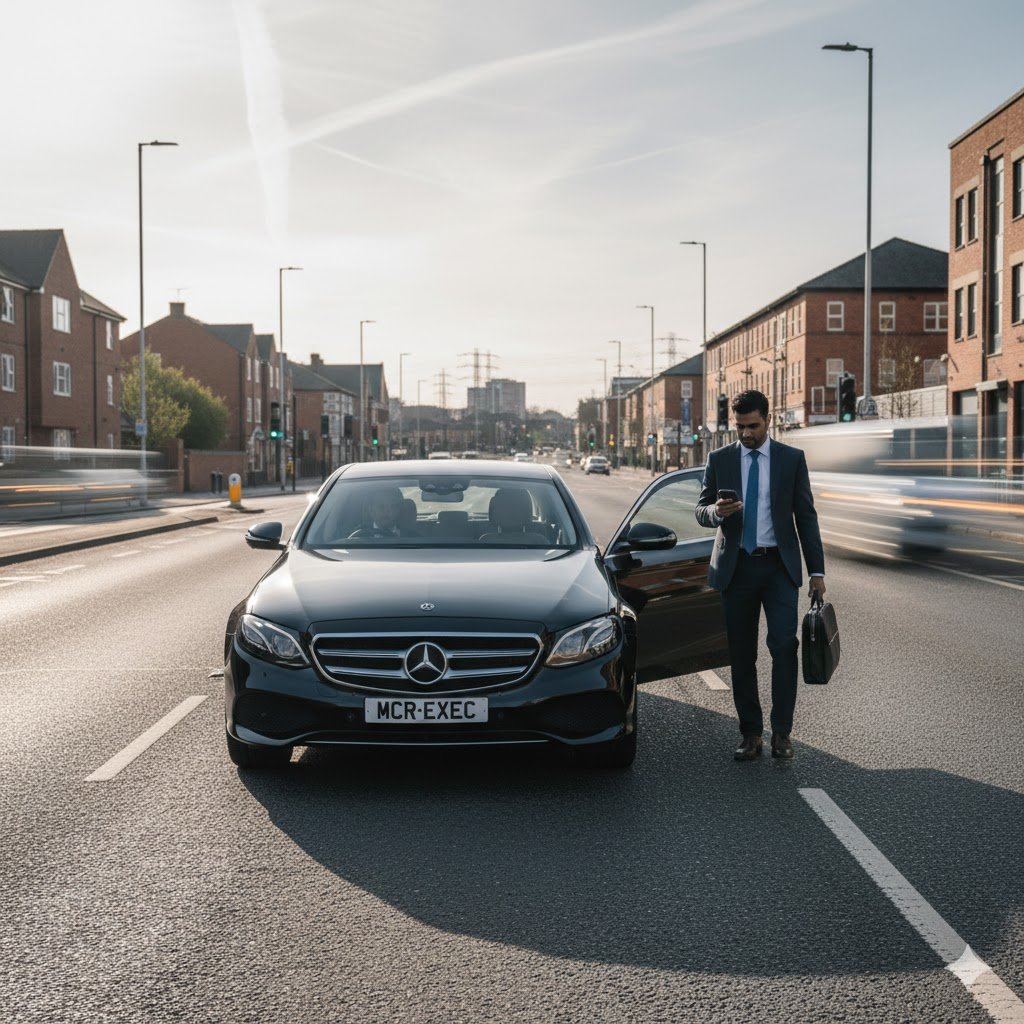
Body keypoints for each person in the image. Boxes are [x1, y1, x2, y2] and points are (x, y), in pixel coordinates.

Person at [694, 390, 825, 761]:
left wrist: (817, 571)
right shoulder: (719, 458)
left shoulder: (791, 459)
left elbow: (806, 516)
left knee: (784, 646)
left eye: (753, 426)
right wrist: (716, 512)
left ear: (768, 420)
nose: (746, 433)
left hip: (778, 567)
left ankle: (782, 732)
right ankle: (751, 733)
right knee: (741, 655)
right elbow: (701, 510)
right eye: (740, 427)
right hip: (736, 568)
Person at [347, 487, 419, 539]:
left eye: (393, 506)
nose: (388, 511)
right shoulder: (357, 536)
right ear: (371, 511)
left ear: (399, 510)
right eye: (381, 507)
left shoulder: (414, 538)